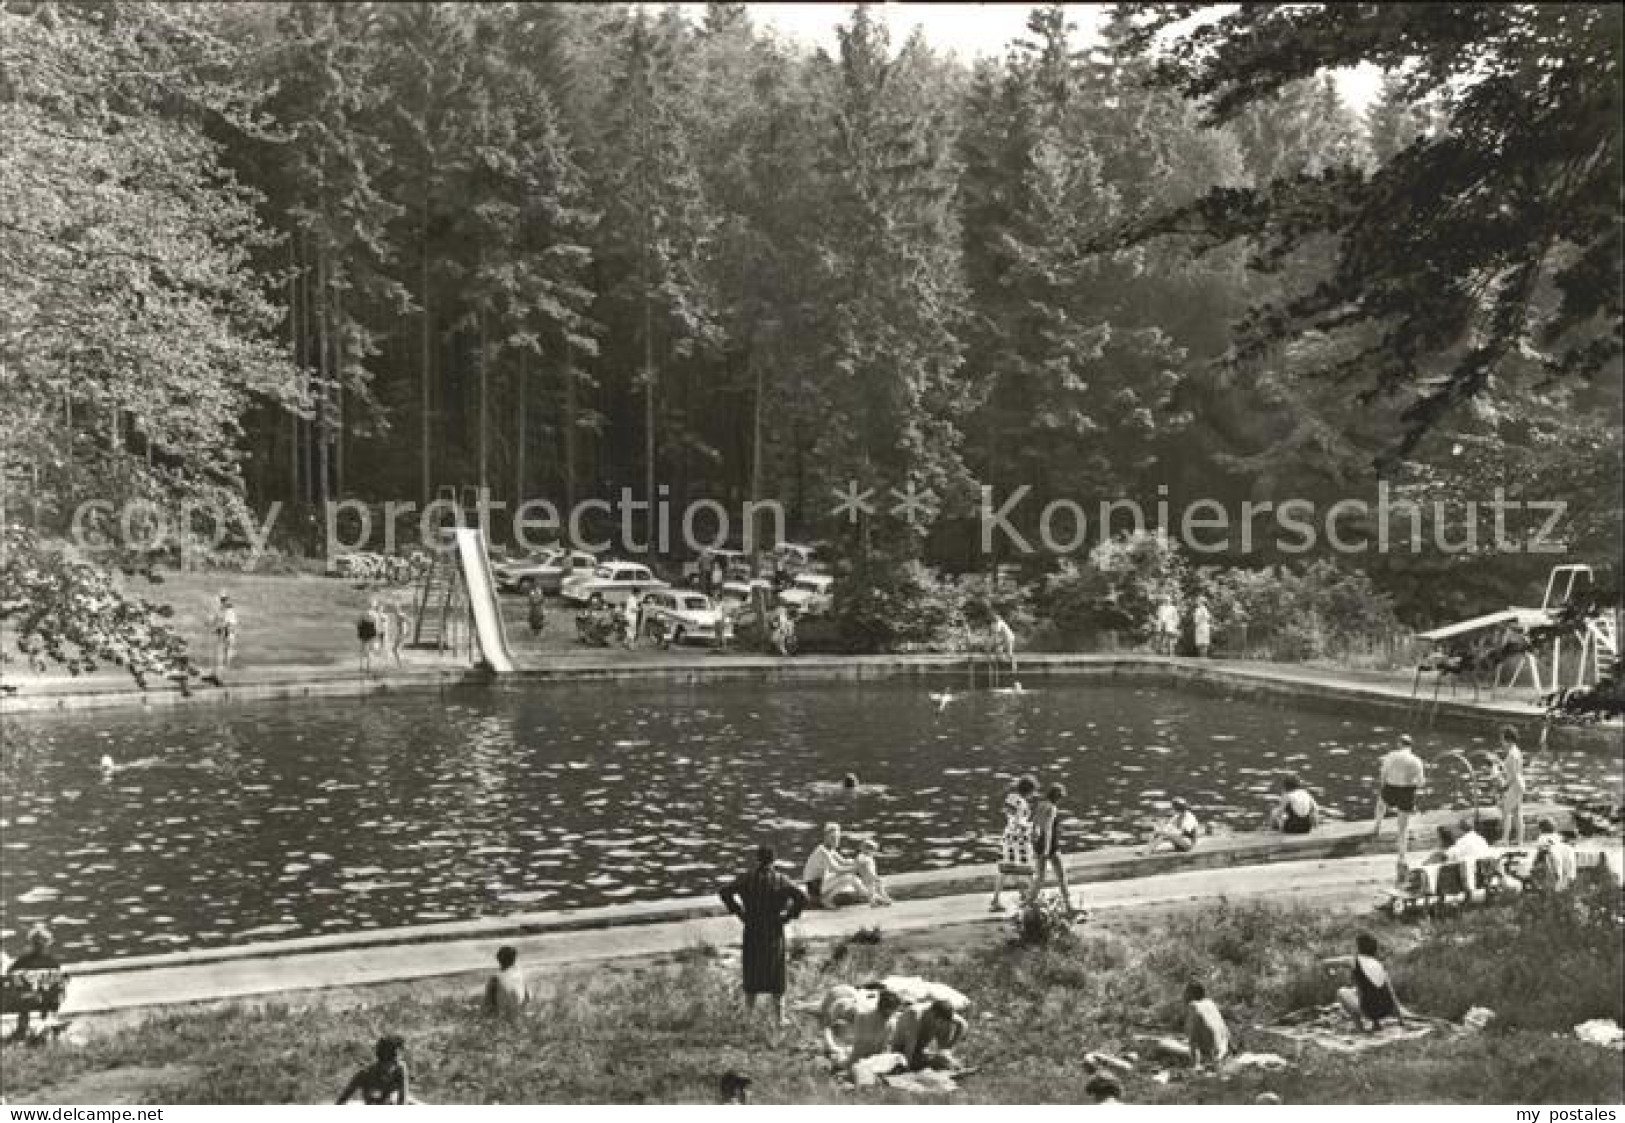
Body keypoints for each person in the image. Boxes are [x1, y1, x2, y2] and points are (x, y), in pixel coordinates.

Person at [718, 845, 808, 1026]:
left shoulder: (746, 879)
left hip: (752, 928)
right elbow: (802, 897)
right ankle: (779, 1017)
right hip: (774, 929)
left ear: (757, 859)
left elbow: (724, 892)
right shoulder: (782, 880)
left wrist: (739, 912)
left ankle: (748, 1016)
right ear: (774, 861)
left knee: (752, 969)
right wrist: (788, 916)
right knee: (776, 971)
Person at [1327, 932, 1407, 1032]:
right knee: (1359, 990)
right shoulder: (1378, 964)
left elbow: (1326, 962)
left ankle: (1360, 1029)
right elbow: (1392, 994)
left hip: (1369, 1011)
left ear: (1358, 947)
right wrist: (1401, 1020)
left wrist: (1330, 972)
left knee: (1342, 991)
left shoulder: (1353, 960)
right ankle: (1376, 1024)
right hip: (1386, 1010)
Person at [1373, 734, 1427, 879]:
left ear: (1399, 744)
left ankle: (1377, 825)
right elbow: (1421, 783)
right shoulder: (1417, 760)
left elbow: (1383, 774)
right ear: (1411, 746)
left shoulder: (1391, 756)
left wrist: (1383, 787)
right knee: (1402, 828)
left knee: (1381, 803)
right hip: (1407, 792)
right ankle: (1401, 857)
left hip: (1391, 788)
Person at [4, 926, 66, 1042]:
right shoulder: (52, 962)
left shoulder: (22, 960)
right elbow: (59, 983)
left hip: (22, 1001)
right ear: (47, 944)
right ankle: (46, 1023)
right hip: (48, 1001)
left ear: (31, 943)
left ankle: (22, 1029)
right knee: (46, 993)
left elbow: (9, 974)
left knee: (25, 996)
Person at [1025, 783, 1077, 919]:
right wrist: (1047, 849)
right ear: (1057, 797)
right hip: (1051, 846)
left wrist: (1034, 843)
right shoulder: (1052, 808)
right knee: (1061, 875)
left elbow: (1034, 825)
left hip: (1038, 844)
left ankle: (1028, 905)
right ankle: (1069, 906)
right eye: (1061, 798)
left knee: (1040, 878)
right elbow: (1048, 829)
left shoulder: (1040, 805)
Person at [990, 775, 1038, 911]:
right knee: (1028, 869)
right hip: (1019, 840)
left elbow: (1010, 817)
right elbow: (1018, 822)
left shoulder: (1011, 798)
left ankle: (996, 900)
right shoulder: (1022, 802)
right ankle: (1034, 899)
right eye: (1033, 791)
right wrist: (1031, 826)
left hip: (1007, 838)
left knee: (1005, 870)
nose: (1034, 795)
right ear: (1029, 791)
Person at [891, 998, 967, 1072]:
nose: (939, 1024)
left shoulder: (944, 1012)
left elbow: (963, 1024)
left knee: (943, 1058)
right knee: (937, 1062)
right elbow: (910, 1045)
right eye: (939, 1021)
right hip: (901, 1052)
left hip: (919, 1051)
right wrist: (906, 1069)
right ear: (933, 1013)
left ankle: (948, 1061)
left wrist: (950, 1047)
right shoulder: (915, 1014)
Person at [803, 823, 865, 908]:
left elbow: (844, 861)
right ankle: (826, 898)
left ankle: (863, 894)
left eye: (837, 838)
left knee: (850, 872)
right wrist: (854, 868)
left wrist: (860, 861)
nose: (836, 841)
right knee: (849, 877)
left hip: (821, 882)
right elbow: (836, 869)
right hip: (814, 886)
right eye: (833, 838)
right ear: (826, 837)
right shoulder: (822, 851)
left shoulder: (830, 849)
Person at [336, 1034, 409, 1104]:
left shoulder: (400, 1068)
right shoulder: (364, 1075)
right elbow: (342, 1099)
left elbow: (403, 1099)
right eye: (394, 1061)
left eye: (397, 1061)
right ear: (381, 1061)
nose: (396, 1064)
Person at [1183, 981, 1231, 1067]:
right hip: (1224, 1050)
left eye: (1186, 992)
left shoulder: (1193, 1006)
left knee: (1191, 1039)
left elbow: (1193, 1038)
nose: (1183, 996)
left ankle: (1198, 1064)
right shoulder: (1210, 1003)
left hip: (1213, 1054)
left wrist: (1196, 1065)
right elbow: (1225, 1031)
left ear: (1190, 994)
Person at [1496, 726, 1526, 845]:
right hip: (1520, 784)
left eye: (1502, 739)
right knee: (1517, 813)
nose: (1501, 741)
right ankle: (1520, 840)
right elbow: (1512, 770)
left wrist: (1504, 786)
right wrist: (1500, 763)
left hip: (1515, 785)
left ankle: (1505, 839)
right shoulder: (1516, 751)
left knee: (1506, 811)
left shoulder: (1512, 754)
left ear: (1508, 739)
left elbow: (1513, 775)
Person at [1530, 817, 1578, 890]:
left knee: (1559, 872)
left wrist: (1534, 863)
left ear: (1541, 829)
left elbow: (1541, 850)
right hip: (1564, 854)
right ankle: (1563, 881)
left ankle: (1560, 880)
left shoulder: (1542, 837)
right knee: (1566, 873)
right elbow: (1569, 843)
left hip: (1554, 856)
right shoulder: (1558, 836)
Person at [482, 945, 529, 1019]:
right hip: (518, 1013)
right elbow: (527, 998)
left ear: (499, 960)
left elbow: (487, 1002)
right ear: (514, 960)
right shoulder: (520, 975)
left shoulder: (495, 978)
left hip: (501, 1015)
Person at [854, 839, 893, 907]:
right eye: (873, 850)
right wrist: (875, 877)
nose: (874, 852)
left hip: (869, 877)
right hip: (868, 877)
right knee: (872, 890)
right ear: (866, 849)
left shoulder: (865, 856)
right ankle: (879, 901)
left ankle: (883, 899)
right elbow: (868, 869)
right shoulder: (864, 857)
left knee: (876, 888)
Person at [210, 592, 238, 678]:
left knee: (226, 651)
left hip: (228, 633)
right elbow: (217, 620)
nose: (223, 601)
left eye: (224, 599)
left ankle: (224, 669)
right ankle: (221, 669)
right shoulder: (221, 609)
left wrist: (219, 629)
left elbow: (228, 624)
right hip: (223, 633)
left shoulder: (229, 610)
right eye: (222, 600)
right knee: (222, 652)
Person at [357, 600, 381, 674]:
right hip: (372, 632)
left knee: (362, 649)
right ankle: (368, 667)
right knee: (370, 650)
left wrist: (359, 631)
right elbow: (376, 626)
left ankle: (361, 666)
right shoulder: (375, 614)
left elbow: (358, 623)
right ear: (374, 606)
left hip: (363, 632)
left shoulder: (363, 613)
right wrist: (378, 634)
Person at [990, 612, 1017, 676]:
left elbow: (996, 632)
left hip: (1009, 638)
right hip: (1005, 638)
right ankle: (1003, 665)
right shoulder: (997, 623)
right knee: (998, 649)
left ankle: (1014, 668)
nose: (994, 618)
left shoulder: (1000, 622)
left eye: (996, 617)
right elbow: (995, 633)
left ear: (998, 618)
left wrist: (995, 642)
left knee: (1009, 653)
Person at [389, 601, 410, 667]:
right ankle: (400, 663)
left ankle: (400, 664)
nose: (393, 609)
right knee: (396, 649)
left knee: (394, 649)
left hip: (401, 633)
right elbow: (406, 622)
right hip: (400, 633)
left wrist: (407, 632)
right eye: (393, 608)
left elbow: (408, 622)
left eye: (395, 608)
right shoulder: (397, 615)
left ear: (398, 608)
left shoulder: (400, 615)